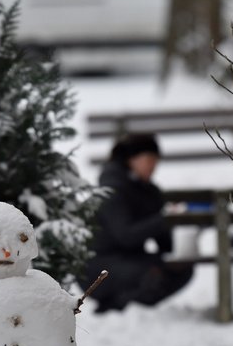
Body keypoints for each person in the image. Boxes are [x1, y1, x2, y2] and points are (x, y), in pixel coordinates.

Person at [81, 133, 193, 313]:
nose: (153, 166)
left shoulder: (150, 191)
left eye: (156, 160)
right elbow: (125, 235)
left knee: (181, 269)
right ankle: (117, 303)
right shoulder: (111, 189)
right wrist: (162, 219)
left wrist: (174, 223)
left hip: (134, 260)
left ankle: (129, 303)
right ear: (131, 159)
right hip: (99, 266)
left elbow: (165, 247)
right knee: (153, 274)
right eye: (148, 159)